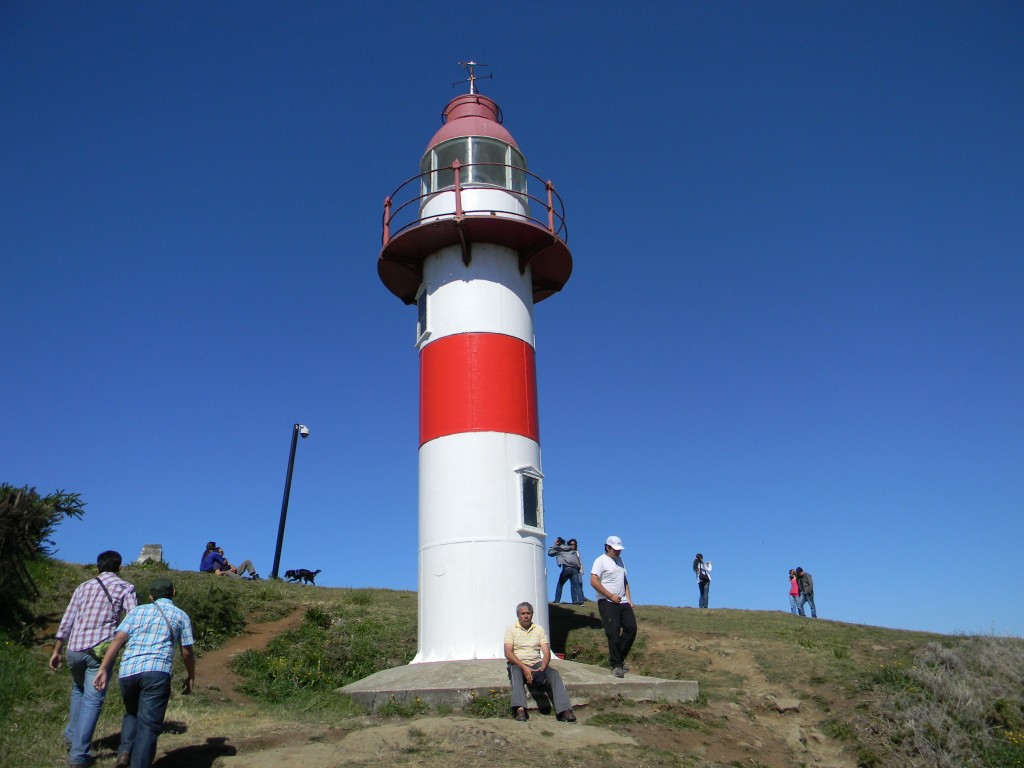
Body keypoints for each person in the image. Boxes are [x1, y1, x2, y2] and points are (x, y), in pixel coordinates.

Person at [94, 577, 195, 768]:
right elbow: (187, 651)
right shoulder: (181, 615)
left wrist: (103, 668)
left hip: (128, 672)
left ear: (150, 596)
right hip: (157, 672)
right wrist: (191, 675)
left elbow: (118, 640)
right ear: (173, 593)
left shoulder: (136, 612)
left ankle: (124, 752)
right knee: (148, 726)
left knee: (132, 713)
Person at [50, 550, 138, 767]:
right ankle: (79, 755)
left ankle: (72, 736)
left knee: (78, 690)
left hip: (74, 649)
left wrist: (57, 649)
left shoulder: (83, 587)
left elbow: (68, 619)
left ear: (98, 567)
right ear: (119, 567)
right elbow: (133, 620)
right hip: (99, 652)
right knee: (93, 700)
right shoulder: (125, 587)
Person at [503, 601, 576, 723]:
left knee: (553, 673)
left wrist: (542, 668)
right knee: (515, 673)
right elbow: (508, 652)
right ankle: (520, 709)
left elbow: (546, 652)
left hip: (536, 663)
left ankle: (565, 710)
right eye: (523, 613)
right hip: (518, 663)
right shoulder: (511, 629)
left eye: (528, 613)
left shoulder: (539, 629)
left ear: (532, 615)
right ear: (518, 615)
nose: (526, 616)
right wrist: (524, 668)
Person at [590, 535, 636, 678]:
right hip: (607, 602)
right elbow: (593, 581)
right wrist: (610, 595)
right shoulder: (600, 561)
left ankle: (619, 658)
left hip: (622, 601)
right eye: (615, 549)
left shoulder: (620, 561)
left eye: (619, 549)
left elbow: (624, 580)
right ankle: (616, 665)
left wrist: (629, 599)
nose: (618, 552)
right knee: (613, 633)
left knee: (631, 628)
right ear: (607, 547)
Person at [548, 537, 585, 605]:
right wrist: (579, 568)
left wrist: (554, 545)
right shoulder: (571, 549)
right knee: (577, 585)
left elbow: (550, 553)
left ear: (558, 543)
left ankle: (557, 601)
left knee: (560, 584)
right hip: (575, 569)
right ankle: (581, 602)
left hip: (566, 569)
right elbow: (576, 559)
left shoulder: (559, 549)